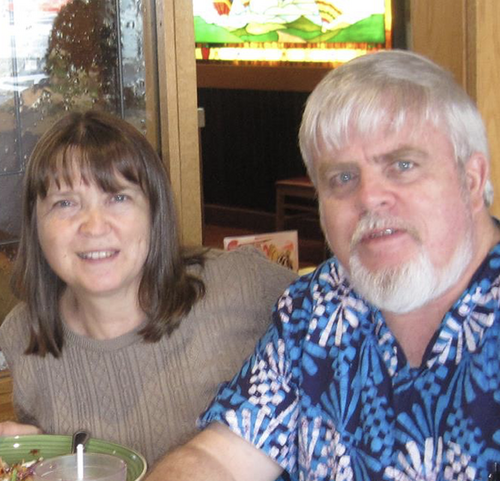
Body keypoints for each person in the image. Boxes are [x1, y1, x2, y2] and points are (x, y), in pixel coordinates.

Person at [145, 49, 500, 481]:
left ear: (471, 179)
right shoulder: (318, 306)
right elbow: (218, 457)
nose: (369, 197)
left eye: (403, 165)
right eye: (343, 178)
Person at [0, 110, 297, 466]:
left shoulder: (242, 285)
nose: (94, 226)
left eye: (118, 197)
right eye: (65, 203)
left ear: (155, 212)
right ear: (35, 224)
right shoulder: (23, 334)